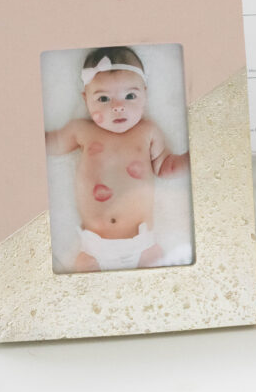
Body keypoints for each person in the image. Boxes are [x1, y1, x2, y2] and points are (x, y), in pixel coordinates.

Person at [45, 46, 189, 272]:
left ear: (145, 93)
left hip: (143, 246)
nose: (118, 107)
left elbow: (165, 166)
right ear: (85, 100)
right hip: (93, 248)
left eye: (130, 96)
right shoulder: (81, 130)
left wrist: (193, 158)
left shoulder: (148, 131)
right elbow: (49, 144)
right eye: (103, 98)